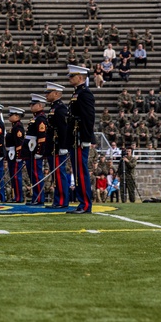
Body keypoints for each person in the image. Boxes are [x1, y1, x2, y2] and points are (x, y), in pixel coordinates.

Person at [67, 64, 96, 213]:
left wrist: (86, 138)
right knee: (77, 172)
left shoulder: (84, 94)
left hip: (80, 137)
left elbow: (88, 117)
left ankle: (85, 204)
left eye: (72, 76)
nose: (69, 78)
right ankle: (82, 203)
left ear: (80, 77)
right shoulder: (77, 93)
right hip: (75, 137)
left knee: (81, 171)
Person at [44, 82, 70, 208]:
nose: (46, 95)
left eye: (48, 93)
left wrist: (64, 147)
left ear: (56, 94)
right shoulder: (54, 108)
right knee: (56, 175)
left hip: (58, 146)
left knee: (60, 174)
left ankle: (62, 201)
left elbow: (63, 129)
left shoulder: (60, 108)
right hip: (53, 146)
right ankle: (57, 199)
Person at [27, 94, 48, 205]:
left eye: (33, 104)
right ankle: (36, 196)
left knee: (36, 174)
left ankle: (39, 198)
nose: (31, 106)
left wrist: (39, 152)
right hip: (31, 150)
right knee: (33, 175)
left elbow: (42, 137)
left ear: (40, 105)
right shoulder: (35, 118)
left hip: (35, 150)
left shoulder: (40, 119)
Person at [6, 107, 26, 203]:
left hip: (15, 154)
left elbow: (19, 143)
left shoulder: (18, 127)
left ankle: (19, 197)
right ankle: (16, 196)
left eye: (11, 115)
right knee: (13, 176)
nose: (9, 117)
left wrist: (18, 156)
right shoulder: (14, 126)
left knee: (16, 176)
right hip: (11, 153)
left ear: (17, 116)